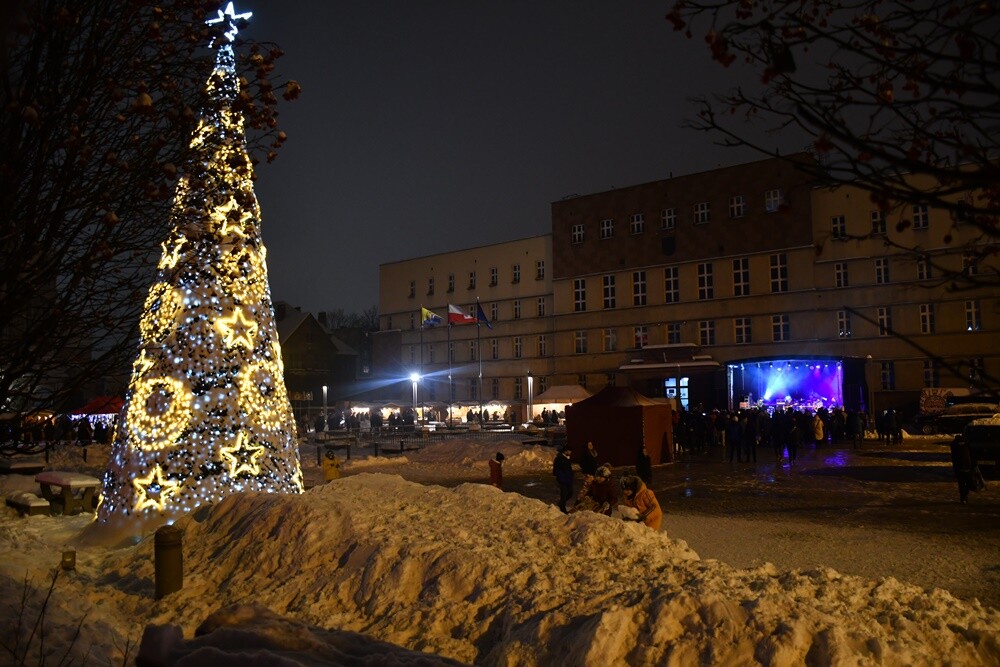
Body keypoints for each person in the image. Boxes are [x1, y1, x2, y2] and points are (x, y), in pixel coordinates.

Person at [950, 435, 976, 504]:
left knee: (965, 484)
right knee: (963, 485)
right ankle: (964, 498)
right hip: (962, 469)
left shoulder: (965, 446)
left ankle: (964, 497)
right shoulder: (957, 447)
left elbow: (971, 456)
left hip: (965, 468)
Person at [552, 446, 574, 513]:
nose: (571, 452)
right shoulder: (559, 459)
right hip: (563, 480)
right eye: (569, 451)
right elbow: (556, 470)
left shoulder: (566, 458)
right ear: (565, 451)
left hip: (568, 479)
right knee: (563, 494)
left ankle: (561, 503)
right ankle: (562, 508)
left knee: (570, 493)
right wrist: (562, 478)